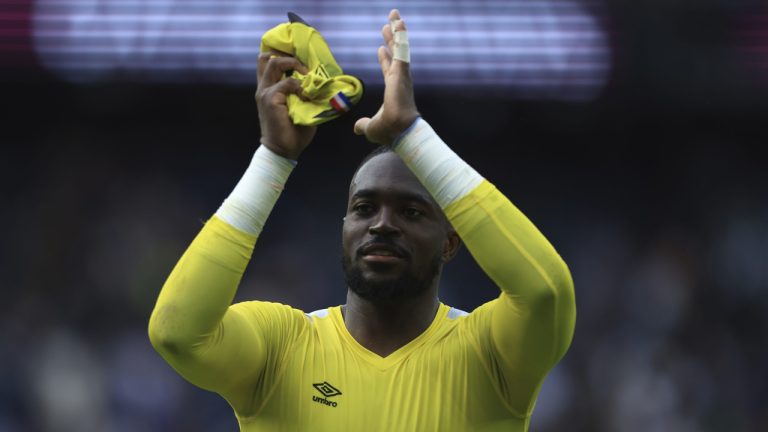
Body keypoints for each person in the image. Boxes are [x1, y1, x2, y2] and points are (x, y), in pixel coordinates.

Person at [149, 9, 576, 432]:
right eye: (364, 208)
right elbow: (177, 332)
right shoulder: (282, 347)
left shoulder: (490, 353)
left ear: (450, 242)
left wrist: (411, 133)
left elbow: (545, 292)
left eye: (411, 212)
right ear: (344, 229)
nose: (382, 225)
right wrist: (274, 159)